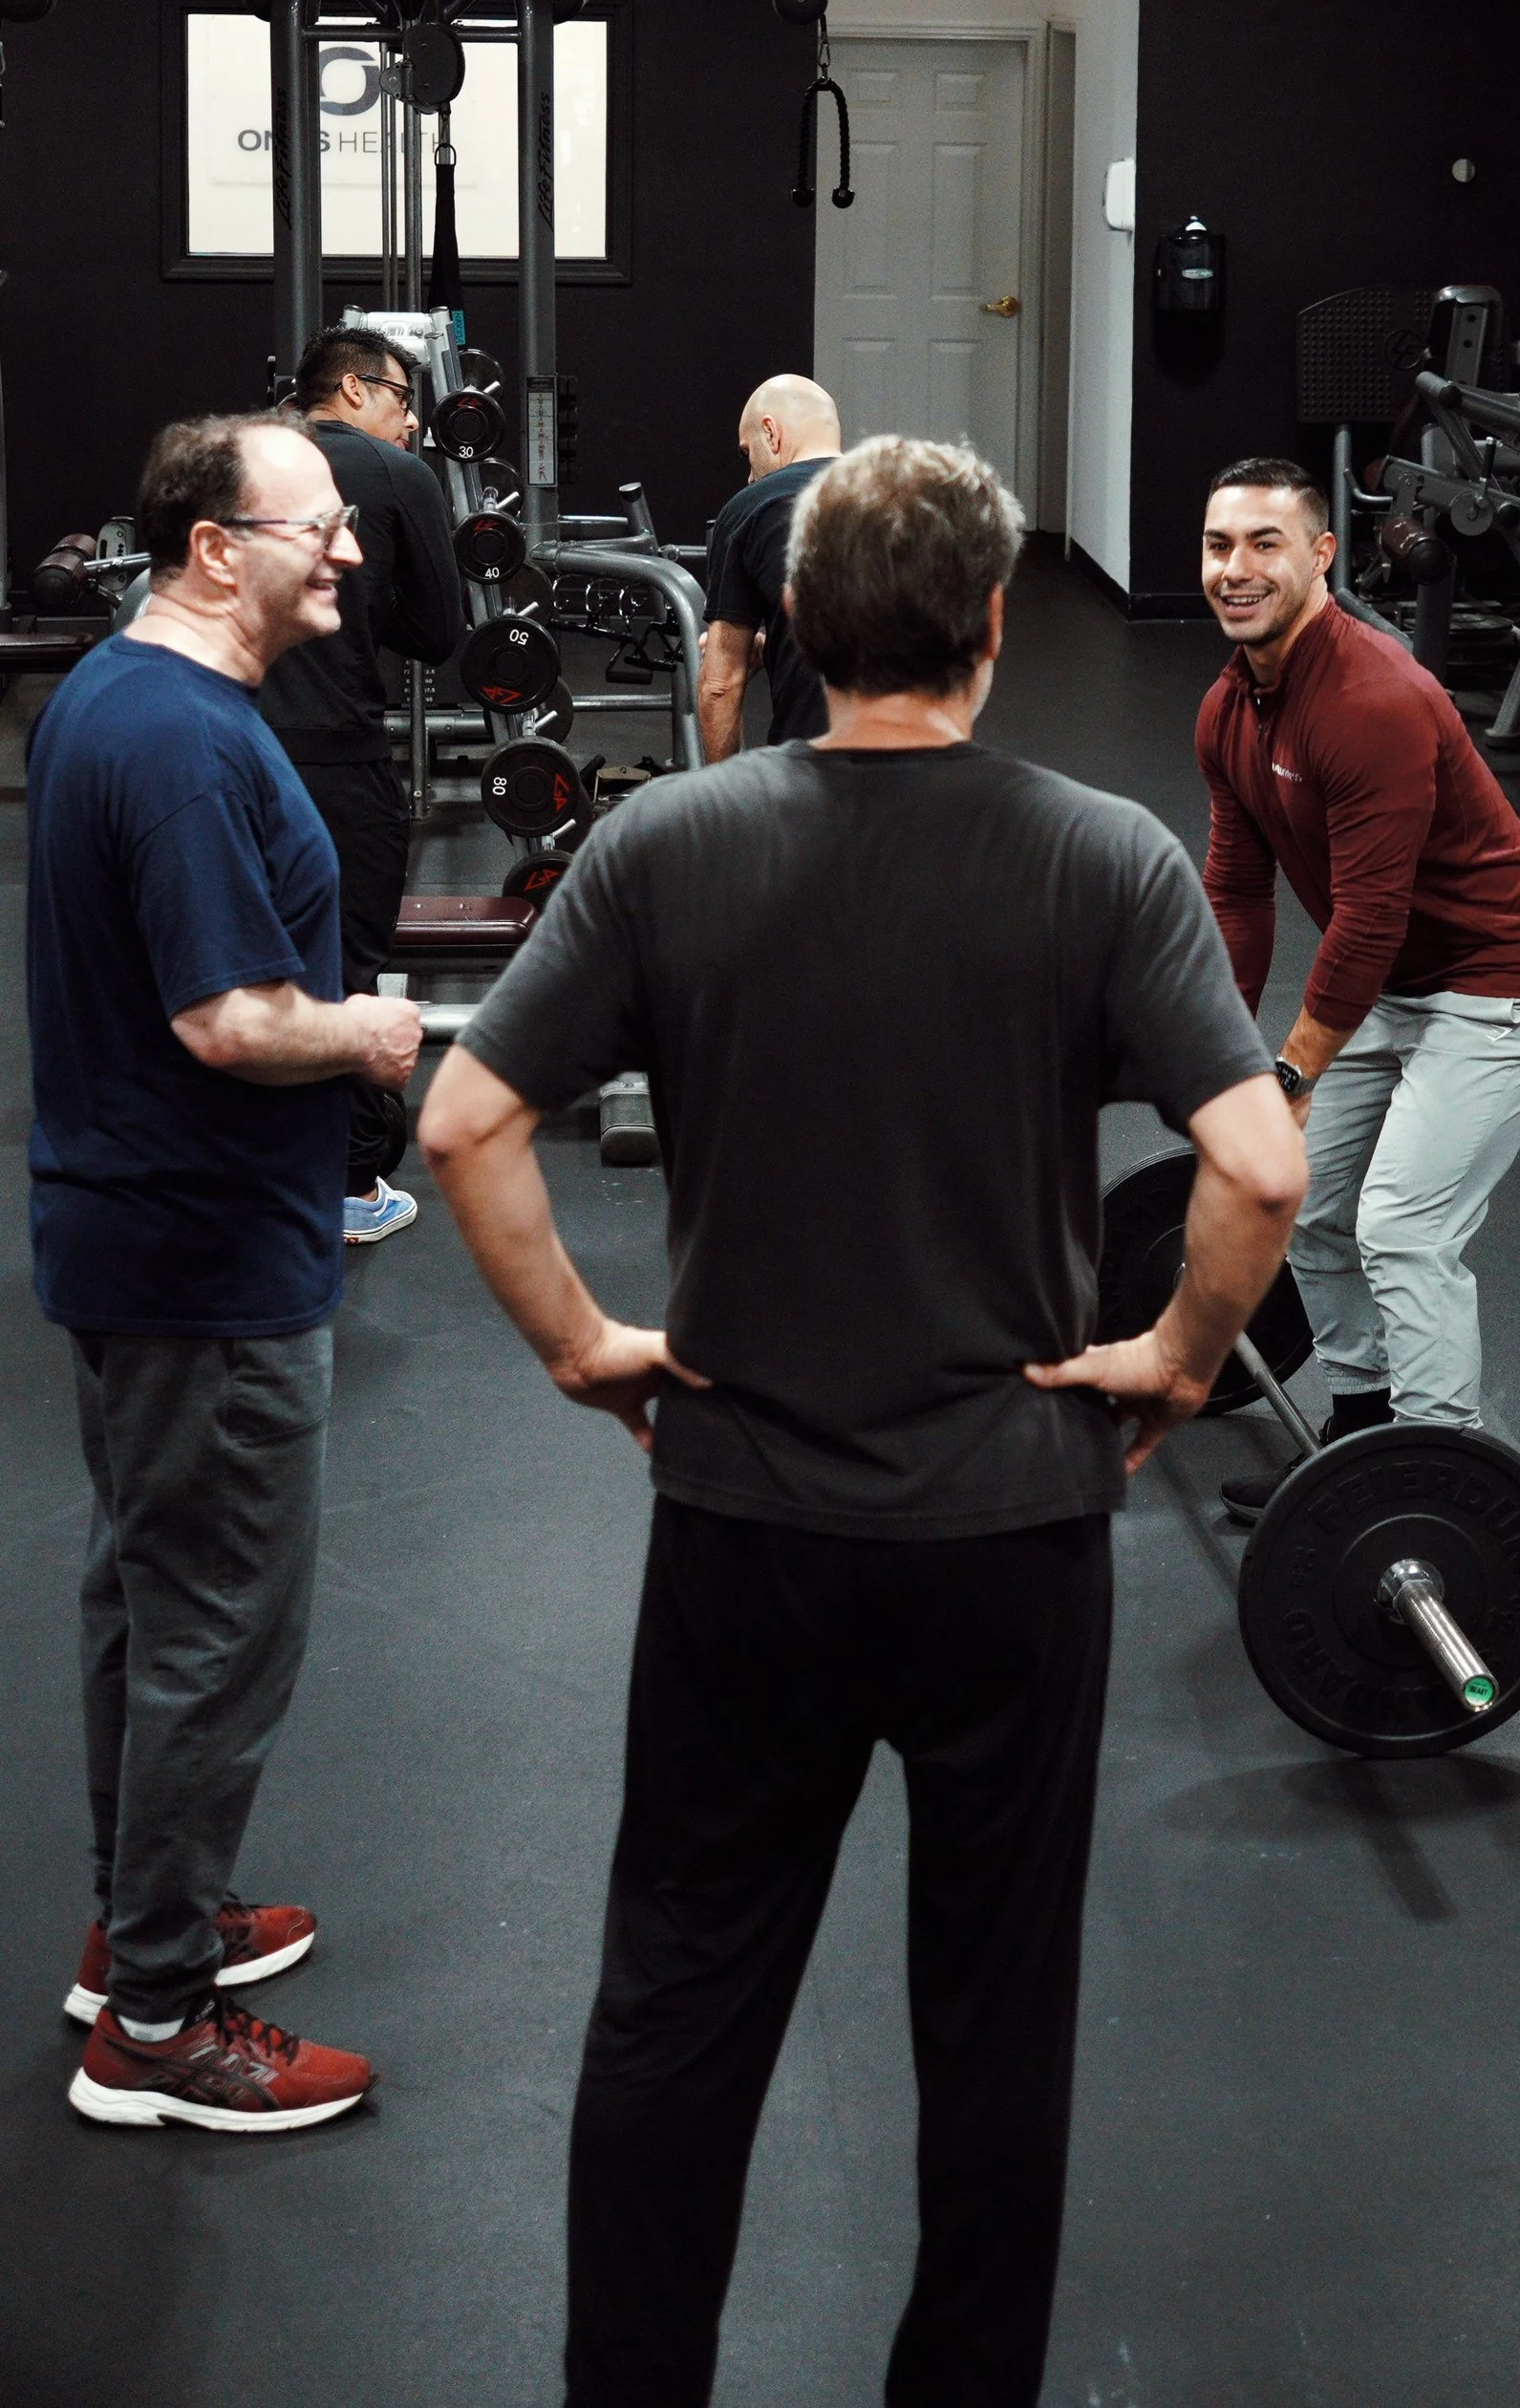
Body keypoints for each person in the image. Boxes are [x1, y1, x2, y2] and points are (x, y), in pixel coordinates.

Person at [418, 433, 1305, 2408]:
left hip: (746, 1526)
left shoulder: (670, 844)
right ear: (994, 622)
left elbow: (467, 1120)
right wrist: (1169, 1356)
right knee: (993, 2020)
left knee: (678, 1996)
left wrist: (584, 1346)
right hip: (1008, 1535)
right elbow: (1256, 1168)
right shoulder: (1101, 854)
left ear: (803, 629)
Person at [30, 411, 421, 2135]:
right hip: (203, 1257)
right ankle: (165, 2032)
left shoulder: (124, 699)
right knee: (213, 1635)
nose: (346, 549)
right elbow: (230, 1019)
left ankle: (145, 1931)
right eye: (316, 526)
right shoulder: (182, 743)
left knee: (148, 1604)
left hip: (144, 1236)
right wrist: (373, 1032)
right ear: (214, 549)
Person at [1194, 458, 1520, 1516]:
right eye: (1217, 546)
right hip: (1402, 982)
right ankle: (1361, 1427)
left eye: (1263, 544)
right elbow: (1237, 891)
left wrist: (1288, 1072)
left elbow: (1368, 922)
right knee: (1313, 1204)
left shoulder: (1372, 701)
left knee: (1404, 1227)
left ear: (1321, 554)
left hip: (1514, 983)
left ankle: (1439, 1475)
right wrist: (1215, 1053)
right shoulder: (1231, 707)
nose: (1234, 570)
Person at [258, 321, 463, 1247]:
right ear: (350, 390)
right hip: (337, 763)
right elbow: (438, 632)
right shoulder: (393, 478)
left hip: (227, 751)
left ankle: (246, 1166)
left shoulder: (237, 458)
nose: (412, 422)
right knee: (343, 965)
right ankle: (346, 1184)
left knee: (234, 953)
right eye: (399, 399)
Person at [696, 370, 842, 761]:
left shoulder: (752, 508)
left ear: (771, 432)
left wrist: (726, 798)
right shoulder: (909, 499)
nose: (749, 476)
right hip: (926, 775)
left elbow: (720, 685)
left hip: (812, 774)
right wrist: (779, 642)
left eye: (748, 453)